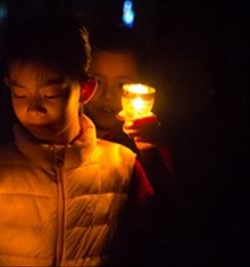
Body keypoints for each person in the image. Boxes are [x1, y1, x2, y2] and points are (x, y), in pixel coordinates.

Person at [0, 13, 156, 267]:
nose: (33, 109)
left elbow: (159, 239)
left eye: (50, 95)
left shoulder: (122, 166)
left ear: (85, 90)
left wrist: (154, 149)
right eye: (20, 94)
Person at [84, 23, 178, 265]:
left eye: (122, 85)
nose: (107, 96)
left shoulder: (146, 141)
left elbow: (166, 207)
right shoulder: (65, 135)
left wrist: (148, 147)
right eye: (97, 81)